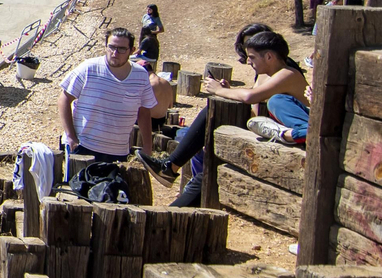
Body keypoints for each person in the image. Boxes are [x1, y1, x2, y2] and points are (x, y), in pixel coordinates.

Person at [147, 26, 309, 204]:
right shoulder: (269, 75)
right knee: (209, 170)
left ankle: (170, 167)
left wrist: (218, 91)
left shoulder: (287, 74)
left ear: (269, 57)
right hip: (273, 135)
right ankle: (171, 176)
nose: (248, 61)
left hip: (296, 139)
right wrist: (228, 91)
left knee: (211, 156)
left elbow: (249, 97)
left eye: (252, 56)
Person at [58, 27, 158, 163]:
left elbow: (144, 111)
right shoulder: (89, 68)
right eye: (111, 47)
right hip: (84, 148)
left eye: (121, 49)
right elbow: (64, 98)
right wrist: (70, 136)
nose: (115, 53)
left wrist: (147, 147)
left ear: (132, 50)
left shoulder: (140, 75)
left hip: (119, 152)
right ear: (105, 46)